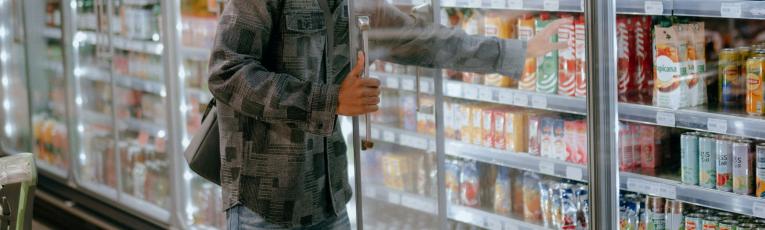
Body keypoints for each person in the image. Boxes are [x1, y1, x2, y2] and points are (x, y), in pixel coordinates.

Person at [208, 0, 568, 229]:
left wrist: (514, 52)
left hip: (329, 200)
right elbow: (226, 72)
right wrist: (329, 101)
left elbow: (426, 39)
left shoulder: (358, 7)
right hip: (265, 206)